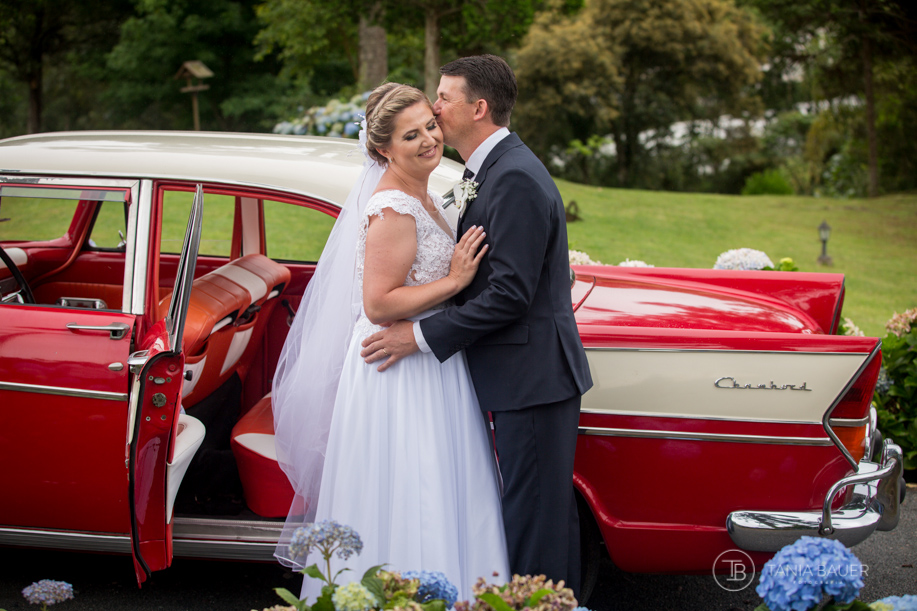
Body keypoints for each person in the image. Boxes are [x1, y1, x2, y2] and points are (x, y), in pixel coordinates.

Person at [360, 56, 594, 596]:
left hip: (531, 376)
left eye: (443, 98)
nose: (435, 107)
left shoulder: (510, 176)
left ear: (478, 107)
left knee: (537, 522)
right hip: (521, 373)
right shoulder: (488, 169)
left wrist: (418, 336)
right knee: (539, 517)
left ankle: (543, 608)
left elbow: (510, 294)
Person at [271, 82, 509, 601]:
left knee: (443, 483)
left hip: (427, 355)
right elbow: (378, 303)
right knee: (412, 485)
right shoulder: (393, 206)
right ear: (383, 149)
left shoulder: (429, 187)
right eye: (411, 135)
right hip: (398, 366)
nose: (429, 140)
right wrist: (455, 280)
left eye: (430, 125)